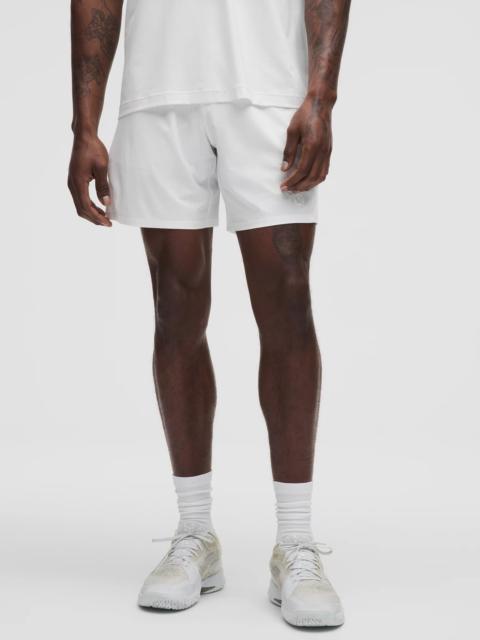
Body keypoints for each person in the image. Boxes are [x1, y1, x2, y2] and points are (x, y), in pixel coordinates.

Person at [68, 0, 351, 627]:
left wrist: (321, 95)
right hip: (159, 92)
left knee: (287, 302)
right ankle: (195, 532)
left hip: (270, 88)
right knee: (175, 309)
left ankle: (296, 542)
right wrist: (84, 125)